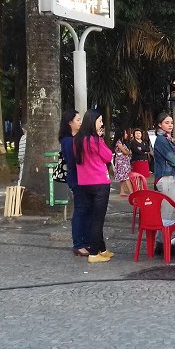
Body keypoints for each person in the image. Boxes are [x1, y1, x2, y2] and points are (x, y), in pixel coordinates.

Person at [74, 110, 114, 263]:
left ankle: (101, 249)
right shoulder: (95, 140)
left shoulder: (78, 140)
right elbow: (108, 156)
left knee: (93, 217)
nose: (102, 123)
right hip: (100, 183)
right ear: (92, 122)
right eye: (100, 120)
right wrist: (101, 139)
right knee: (98, 220)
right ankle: (93, 253)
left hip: (85, 183)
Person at [59, 109, 91, 256]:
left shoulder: (77, 138)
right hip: (77, 180)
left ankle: (84, 241)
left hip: (84, 179)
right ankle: (78, 244)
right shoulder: (67, 141)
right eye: (78, 120)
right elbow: (74, 160)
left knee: (85, 210)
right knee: (80, 210)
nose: (80, 122)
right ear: (70, 122)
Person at [152, 112, 175, 255]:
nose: (170, 125)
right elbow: (174, 161)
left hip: (169, 177)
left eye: (171, 122)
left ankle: (162, 243)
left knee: (167, 212)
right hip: (165, 178)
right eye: (166, 122)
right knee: (165, 213)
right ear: (159, 124)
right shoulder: (162, 140)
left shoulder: (166, 139)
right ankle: (163, 245)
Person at [112, 129, 132, 196]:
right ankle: (131, 192)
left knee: (123, 177)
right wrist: (128, 152)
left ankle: (122, 191)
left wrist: (128, 152)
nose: (127, 134)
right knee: (126, 177)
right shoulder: (119, 143)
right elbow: (125, 152)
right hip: (122, 162)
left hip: (124, 161)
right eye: (125, 133)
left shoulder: (122, 143)